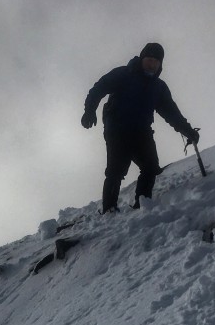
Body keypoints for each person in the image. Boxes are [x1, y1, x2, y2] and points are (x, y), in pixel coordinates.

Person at [81, 43, 199, 213]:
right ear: (142, 59)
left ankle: (142, 205)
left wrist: (188, 131)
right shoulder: (124, 74)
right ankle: (109, 210)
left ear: (160, 65)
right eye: (149, 60)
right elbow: (99, 88)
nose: (151, 64)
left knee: (151, 167)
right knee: (116, 169)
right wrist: (89, 110)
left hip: (141, 130)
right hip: (117, 127)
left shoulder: (159, 87)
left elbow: (171, 113)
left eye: (155, 62)